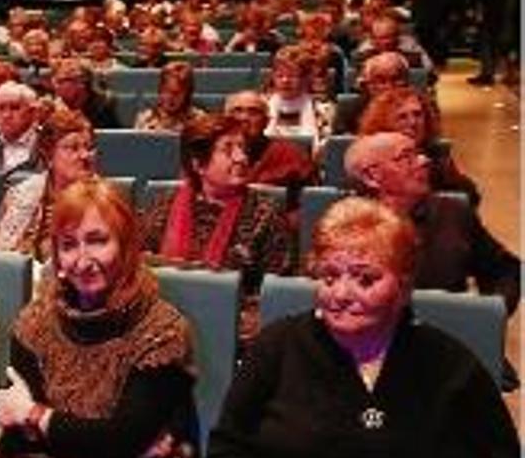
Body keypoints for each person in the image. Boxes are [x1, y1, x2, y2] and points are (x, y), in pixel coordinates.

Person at [207, 196, 520, 457]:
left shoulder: (450, 366)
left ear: (404, 286)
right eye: (329, 277)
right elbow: (227, 445)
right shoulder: (276, 347)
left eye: (365, 279)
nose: (341, 294)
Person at [0, 177, 199, 458]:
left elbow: (120, 440)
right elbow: (19, 439)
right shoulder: (34, 324)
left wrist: (35, 415)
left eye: (97, 241)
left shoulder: (161, 331)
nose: (82, 260)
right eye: (68, 245)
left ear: (126, 247)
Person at [144, 113, 292, 344]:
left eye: (242, 148)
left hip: (232, 331)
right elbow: (141, 267)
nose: (241, 158)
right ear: (198, 164)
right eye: (228, 150)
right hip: (161, 325)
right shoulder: (164, 204)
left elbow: (276, 290)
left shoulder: (266, 212)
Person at [344, 132, 520, 316]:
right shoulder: (342, 226)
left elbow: (504, 270)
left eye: (418, 153)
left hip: (444, 332)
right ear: (372, 176)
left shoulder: (453, 212)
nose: (423, 161)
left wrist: (489, 314)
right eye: (406, 157)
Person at [0, 106, 95, 262]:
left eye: (89, 148)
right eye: (73, 148)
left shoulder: (106, 200)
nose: (85, 155)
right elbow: (1, 257)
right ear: (48, 154)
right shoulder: (21, 194)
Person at [357, 86, 480, 206]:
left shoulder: (436, 157)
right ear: (384, 123)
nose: (413, 122)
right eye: (402, 117)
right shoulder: (369, 158)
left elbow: (470, 196)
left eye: (417, 114)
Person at [223, 91, 316, 202]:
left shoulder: (291, 154)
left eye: (253, 112)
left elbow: (307, 203)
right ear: (225, 117)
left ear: (266, 121)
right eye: (237, 111)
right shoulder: (211, 155)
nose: (244, 117)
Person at [262, 46, 334, 154]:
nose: (285, 81)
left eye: (293, 76)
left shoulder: (324, 109)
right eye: (280, 76)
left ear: (306, 78)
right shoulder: (260, 105)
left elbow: (326, 149)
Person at [0, 80, 42, 173]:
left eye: (15, 108)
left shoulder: (46, 149)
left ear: (33, 113)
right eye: (1, 108)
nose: (6, 115)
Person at [134, 61, 205, 133]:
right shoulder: (145, 119)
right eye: (166, 91)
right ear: (160, 90)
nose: (170, 97)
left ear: (187, 94)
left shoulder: (199, 120)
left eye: (176, 93)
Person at [49, 58, 120, 129]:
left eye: (67, 80)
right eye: (58, 82)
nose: (60, 88)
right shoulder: (49, 103)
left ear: (84, 81)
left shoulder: (100, 104)